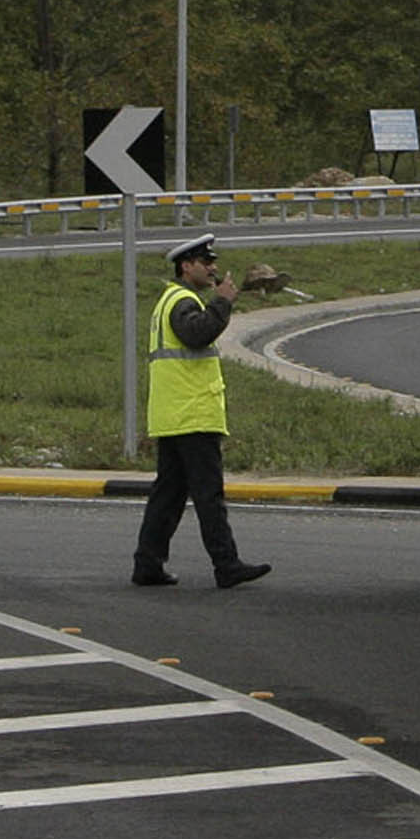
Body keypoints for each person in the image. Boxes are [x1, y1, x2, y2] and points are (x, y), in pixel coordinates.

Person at [133, 233, 271, 590]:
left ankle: (148, 564)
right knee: (208, 495)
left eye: (212, 262)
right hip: (192, 414)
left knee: (169, 495)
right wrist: (222, 303)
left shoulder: (171, 300)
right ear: (186, 266)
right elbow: (197, 334)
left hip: (174, 414)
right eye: (205, 263)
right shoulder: (181, 301)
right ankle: (226, 564)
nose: (213, 268)